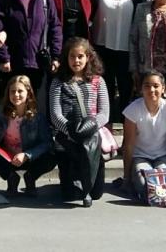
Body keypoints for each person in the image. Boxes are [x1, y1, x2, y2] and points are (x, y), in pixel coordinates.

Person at [88, 0, 151, 120]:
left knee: (125, 86)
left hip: (127, 46)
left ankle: (125, 122)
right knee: (104, 85)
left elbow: (146, 17)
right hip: (102, 44)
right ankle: (105, 122)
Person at [49, 37, 110, 207]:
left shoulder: (98, 81)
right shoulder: (58, 82)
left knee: (96, 194)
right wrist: (71, 132)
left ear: (88, 57)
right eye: (72, 56)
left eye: (80, 56)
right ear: (66, 58)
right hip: (67, 138)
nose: (76, 60)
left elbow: (104, 113)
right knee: (70, 195)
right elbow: (55, 114)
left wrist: (89, 129)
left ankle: (90, 185)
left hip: (92, 139)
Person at [0, 76, 56, 196]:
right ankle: (11, 178)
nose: (16, 95)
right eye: (12, 91)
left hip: (29, 158)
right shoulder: (1, 112)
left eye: (20, 91)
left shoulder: (37, 117)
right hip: (8, 158)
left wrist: (27, 155)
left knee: (52, 157)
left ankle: (30, 177)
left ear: (28, 93)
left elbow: (47, 142)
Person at [121, 71, 166, 203]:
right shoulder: (133, 109)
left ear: (163, 88)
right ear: (141, 88)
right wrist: (126, 178)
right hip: (140, 157)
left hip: (163, 156)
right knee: (145, 185)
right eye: (147, 86)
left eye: (156, 86)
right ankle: (134, 179)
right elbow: (128, 145)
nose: (152, 90)